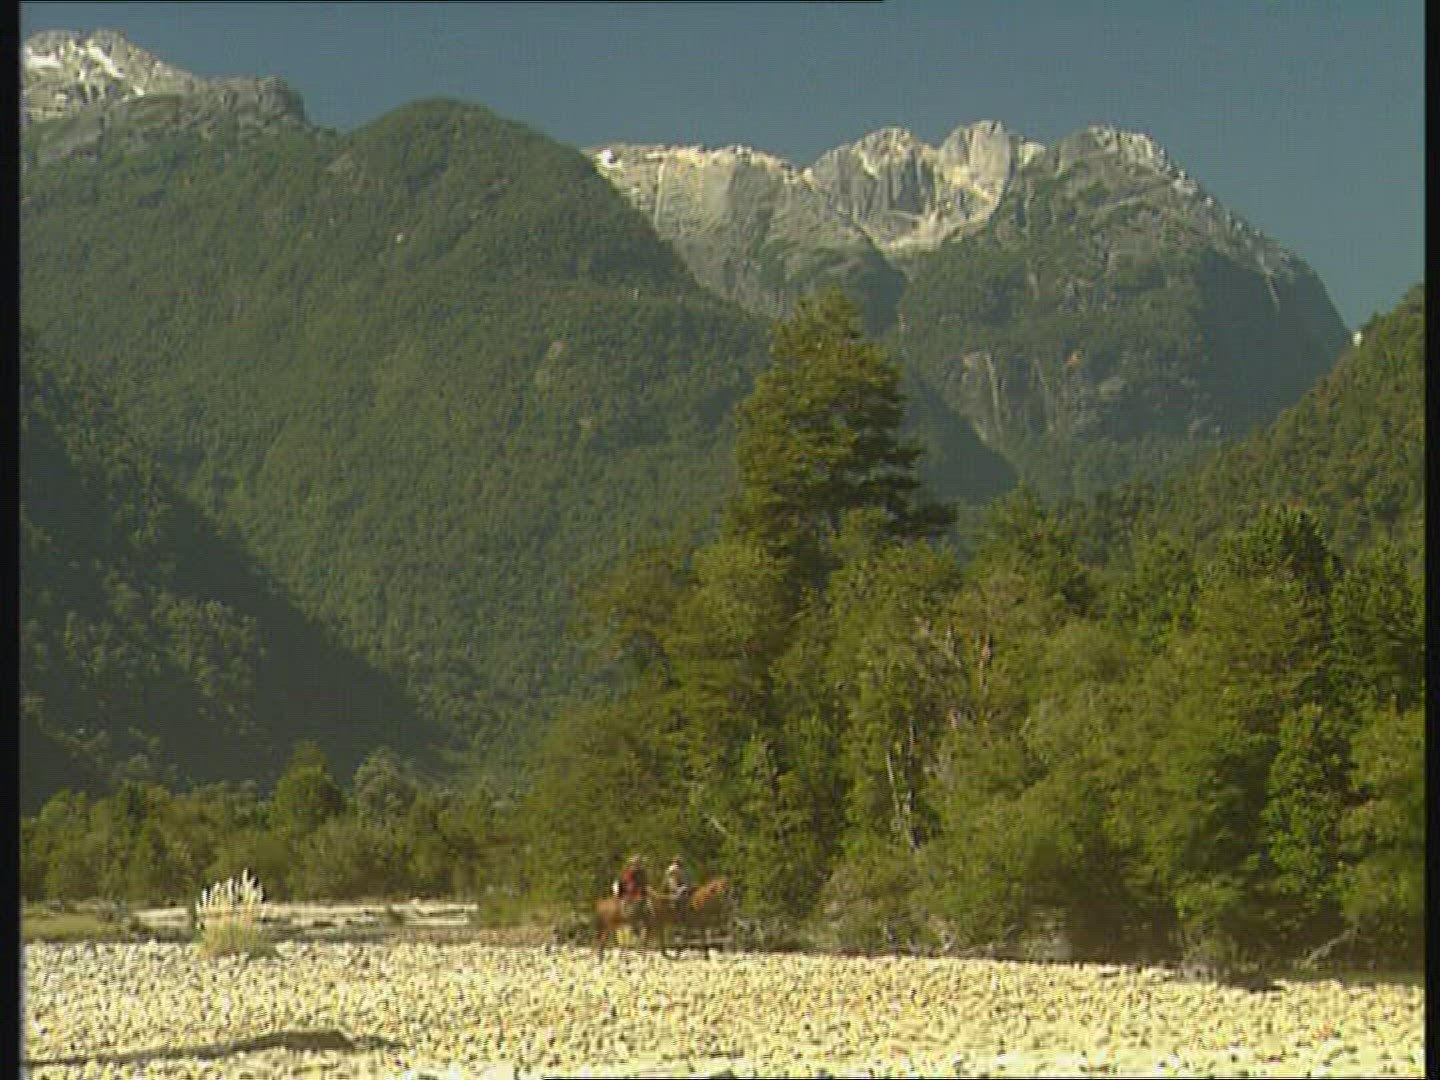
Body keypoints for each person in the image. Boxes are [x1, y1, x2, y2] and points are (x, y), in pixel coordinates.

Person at [615, 853, 648, 918]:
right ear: (633, 862)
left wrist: (644, 885)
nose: (637, 863)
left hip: (639, 887)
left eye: (639, 861)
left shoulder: (642, 870)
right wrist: (631, 885)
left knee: (646, 900)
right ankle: (623, 914)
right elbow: (626, 879)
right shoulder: (629, 869)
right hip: (630, 887)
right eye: (636, 861)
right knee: (626, 898)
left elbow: (645, 879)